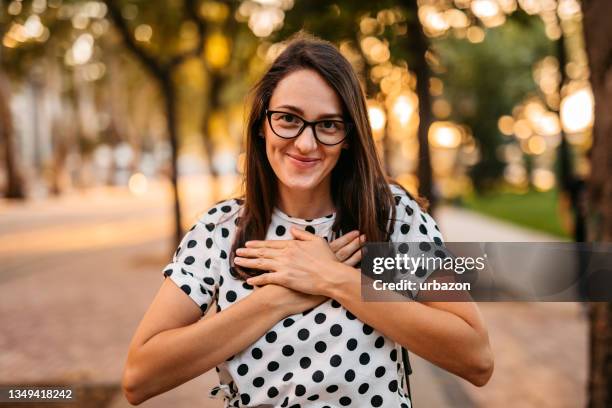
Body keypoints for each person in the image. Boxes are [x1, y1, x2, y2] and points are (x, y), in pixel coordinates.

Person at [121, 33, 493, 407]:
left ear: (349, 135)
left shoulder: (390, 217)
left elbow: (476, 358)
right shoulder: (220, 230)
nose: (305, 144)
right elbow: (139, 378)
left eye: (328, 125)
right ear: (262, 124)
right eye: (288, 119)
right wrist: (277, 300)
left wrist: (335, 279)